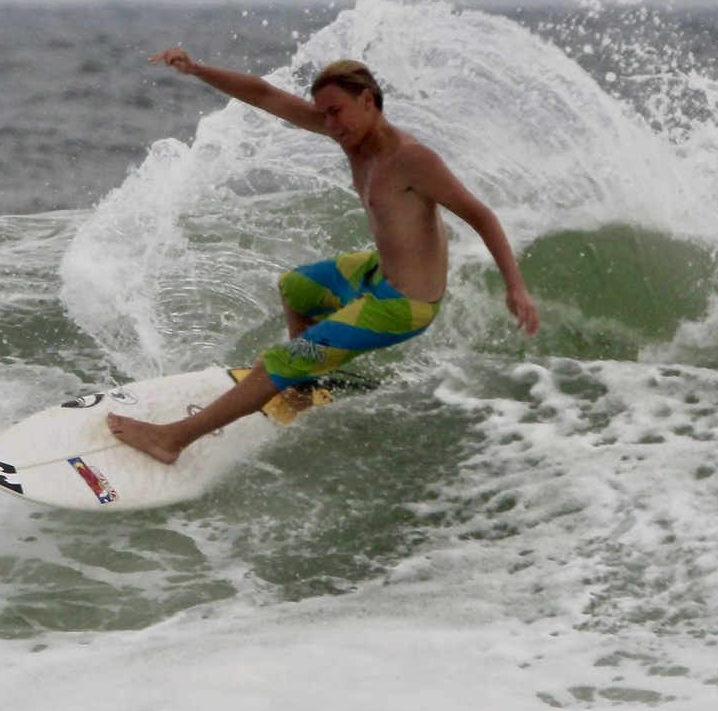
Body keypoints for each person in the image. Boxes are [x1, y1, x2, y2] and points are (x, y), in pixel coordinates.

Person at [107, 48, 540, 464]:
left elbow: (480, 215)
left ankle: (172, 440)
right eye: (324, 114)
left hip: (404, 304)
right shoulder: (351, 135)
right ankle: (302, 388)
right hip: (378, 272)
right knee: (296, 288)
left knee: (280, 360)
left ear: (367, 100)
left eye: (336, 111)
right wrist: (196, 69)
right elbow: (264, 94)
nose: (330, 124)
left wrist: (516, 287)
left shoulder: (412, 159)